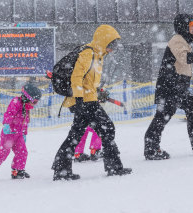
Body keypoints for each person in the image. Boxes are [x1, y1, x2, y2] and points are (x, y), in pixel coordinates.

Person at [51, 24, 132, 180]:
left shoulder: (98, 55)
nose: (113, 48)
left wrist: (97, 93)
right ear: (103, 41)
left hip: (87, 99)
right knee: (107, 128)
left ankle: (61, 169)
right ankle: (113, 166)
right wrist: (80, 100)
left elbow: (88, 81)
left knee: (77, 134)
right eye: (111, 44)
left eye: (115, 45)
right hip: (84, 102)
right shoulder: (88, 53)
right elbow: (76, 78)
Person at [144, 13, 193, 160]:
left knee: (191, 107)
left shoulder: (184, 41)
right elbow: (186, 59)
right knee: (163, 117)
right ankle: (151, 148)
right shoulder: (177, 40)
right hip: (170, 87)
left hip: (177, 86)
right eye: (191, 26)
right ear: (183, 27)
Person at [0, 83, 42, 180]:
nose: (35, 104)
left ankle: (17, 171)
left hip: (19, 135)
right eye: (34, 101)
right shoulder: (16, 102)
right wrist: (6, 124)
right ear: (27, 97)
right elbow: (9, 113)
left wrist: (24, 134)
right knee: (4, 152)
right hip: (8, 134)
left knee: (22, 152)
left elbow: (25, 122)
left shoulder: (26, 108)